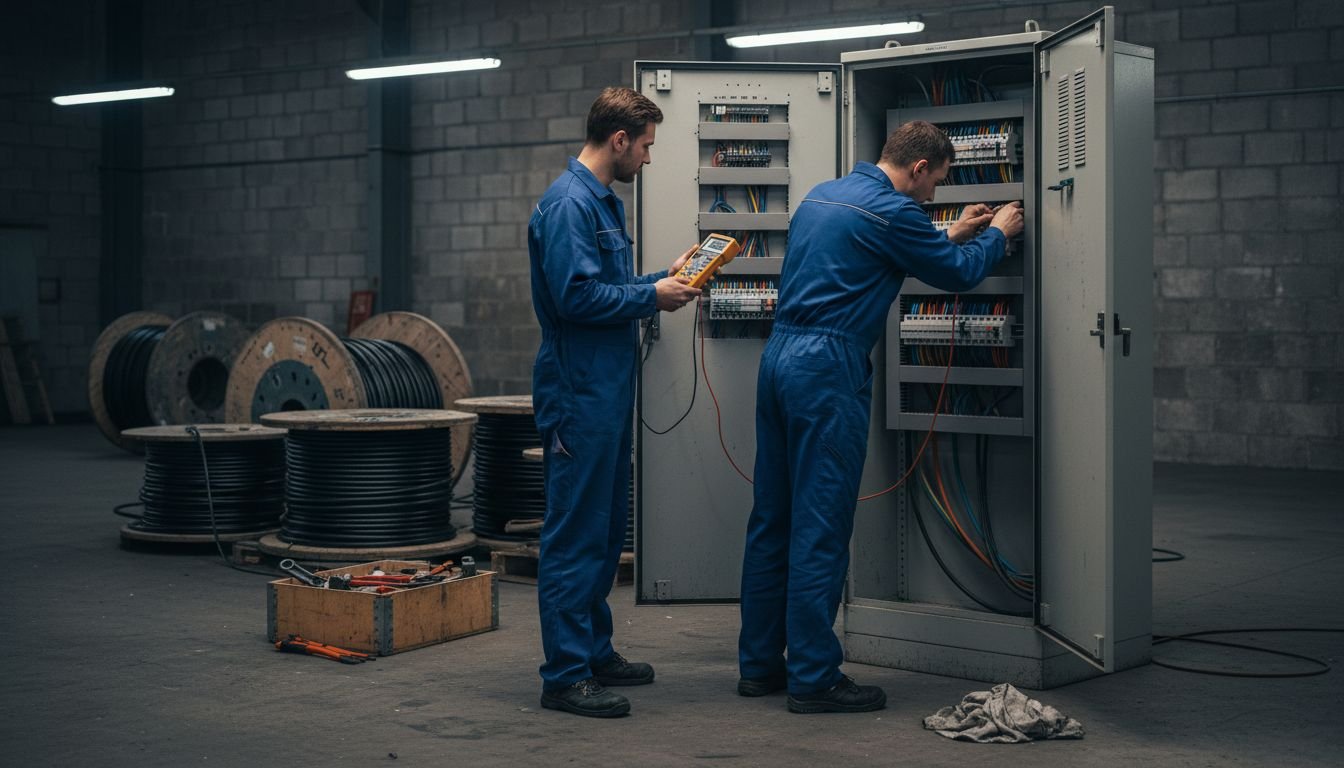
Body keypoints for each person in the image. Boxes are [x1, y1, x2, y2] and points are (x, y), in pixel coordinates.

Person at [736, 120, 1025, 713]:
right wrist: (995, 234)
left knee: (773, 520)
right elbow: (959, 273)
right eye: (935, 185)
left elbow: (870, 247)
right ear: (918, 169)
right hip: (828, 368)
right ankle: (814, 679)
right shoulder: (898, 214)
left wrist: (947, 231)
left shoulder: (824, 193)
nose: (932, 197)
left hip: (780, 359)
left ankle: (760, 665)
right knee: (820, 525)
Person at [528, 86, 702, 718]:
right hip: (578, 393)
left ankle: (594, 651)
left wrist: (659, 277)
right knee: (575, 535)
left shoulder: (599, 202)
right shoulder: (571, 205)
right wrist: (649, 298)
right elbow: (576, 300)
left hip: (604, 391)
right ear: (620, 140)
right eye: (647, 147)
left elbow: (605, 286)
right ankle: (564, 674)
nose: (649, 161)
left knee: (603, 533)